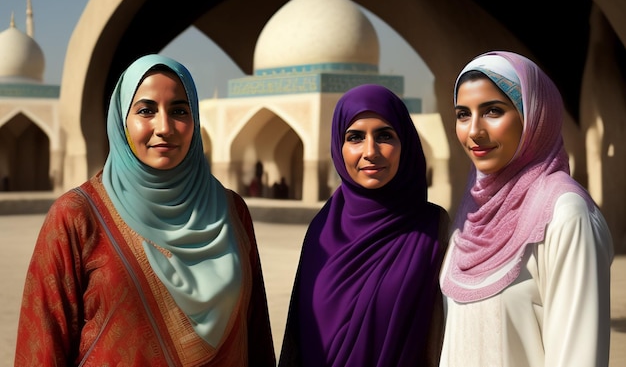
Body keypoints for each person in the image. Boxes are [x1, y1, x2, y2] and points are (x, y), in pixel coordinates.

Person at [14, 54, 276, 366]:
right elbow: (42, 345)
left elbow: (256, 331)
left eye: (179, 110)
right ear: (122, 121)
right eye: (146, 111)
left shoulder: (231, 211)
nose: (164, 127)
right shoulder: (77, 215)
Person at [439, 51, 614, 367]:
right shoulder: (472, 214)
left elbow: (578, 358)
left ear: (534, 115)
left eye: (493, 111)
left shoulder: (565, 214)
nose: (474, 131)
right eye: (463, 114)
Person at [278, 84, 449, 367]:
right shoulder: (322, 230)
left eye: (384, 135)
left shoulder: (432, 228)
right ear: (338, 146)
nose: (370, 151)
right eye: (355, 137)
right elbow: (299, 333)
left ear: (405, 143)